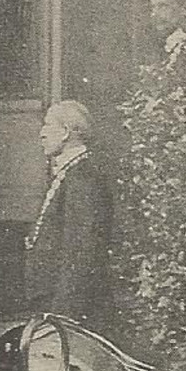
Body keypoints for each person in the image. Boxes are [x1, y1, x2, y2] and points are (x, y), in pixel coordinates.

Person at [23, 99, 112, 326]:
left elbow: (80, 250)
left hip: (64, 303)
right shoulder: (70, 172)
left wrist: (64, 310)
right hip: (50, 297)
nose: (42, 133)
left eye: (47, 125)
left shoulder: (83, 178)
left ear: (65, 132)